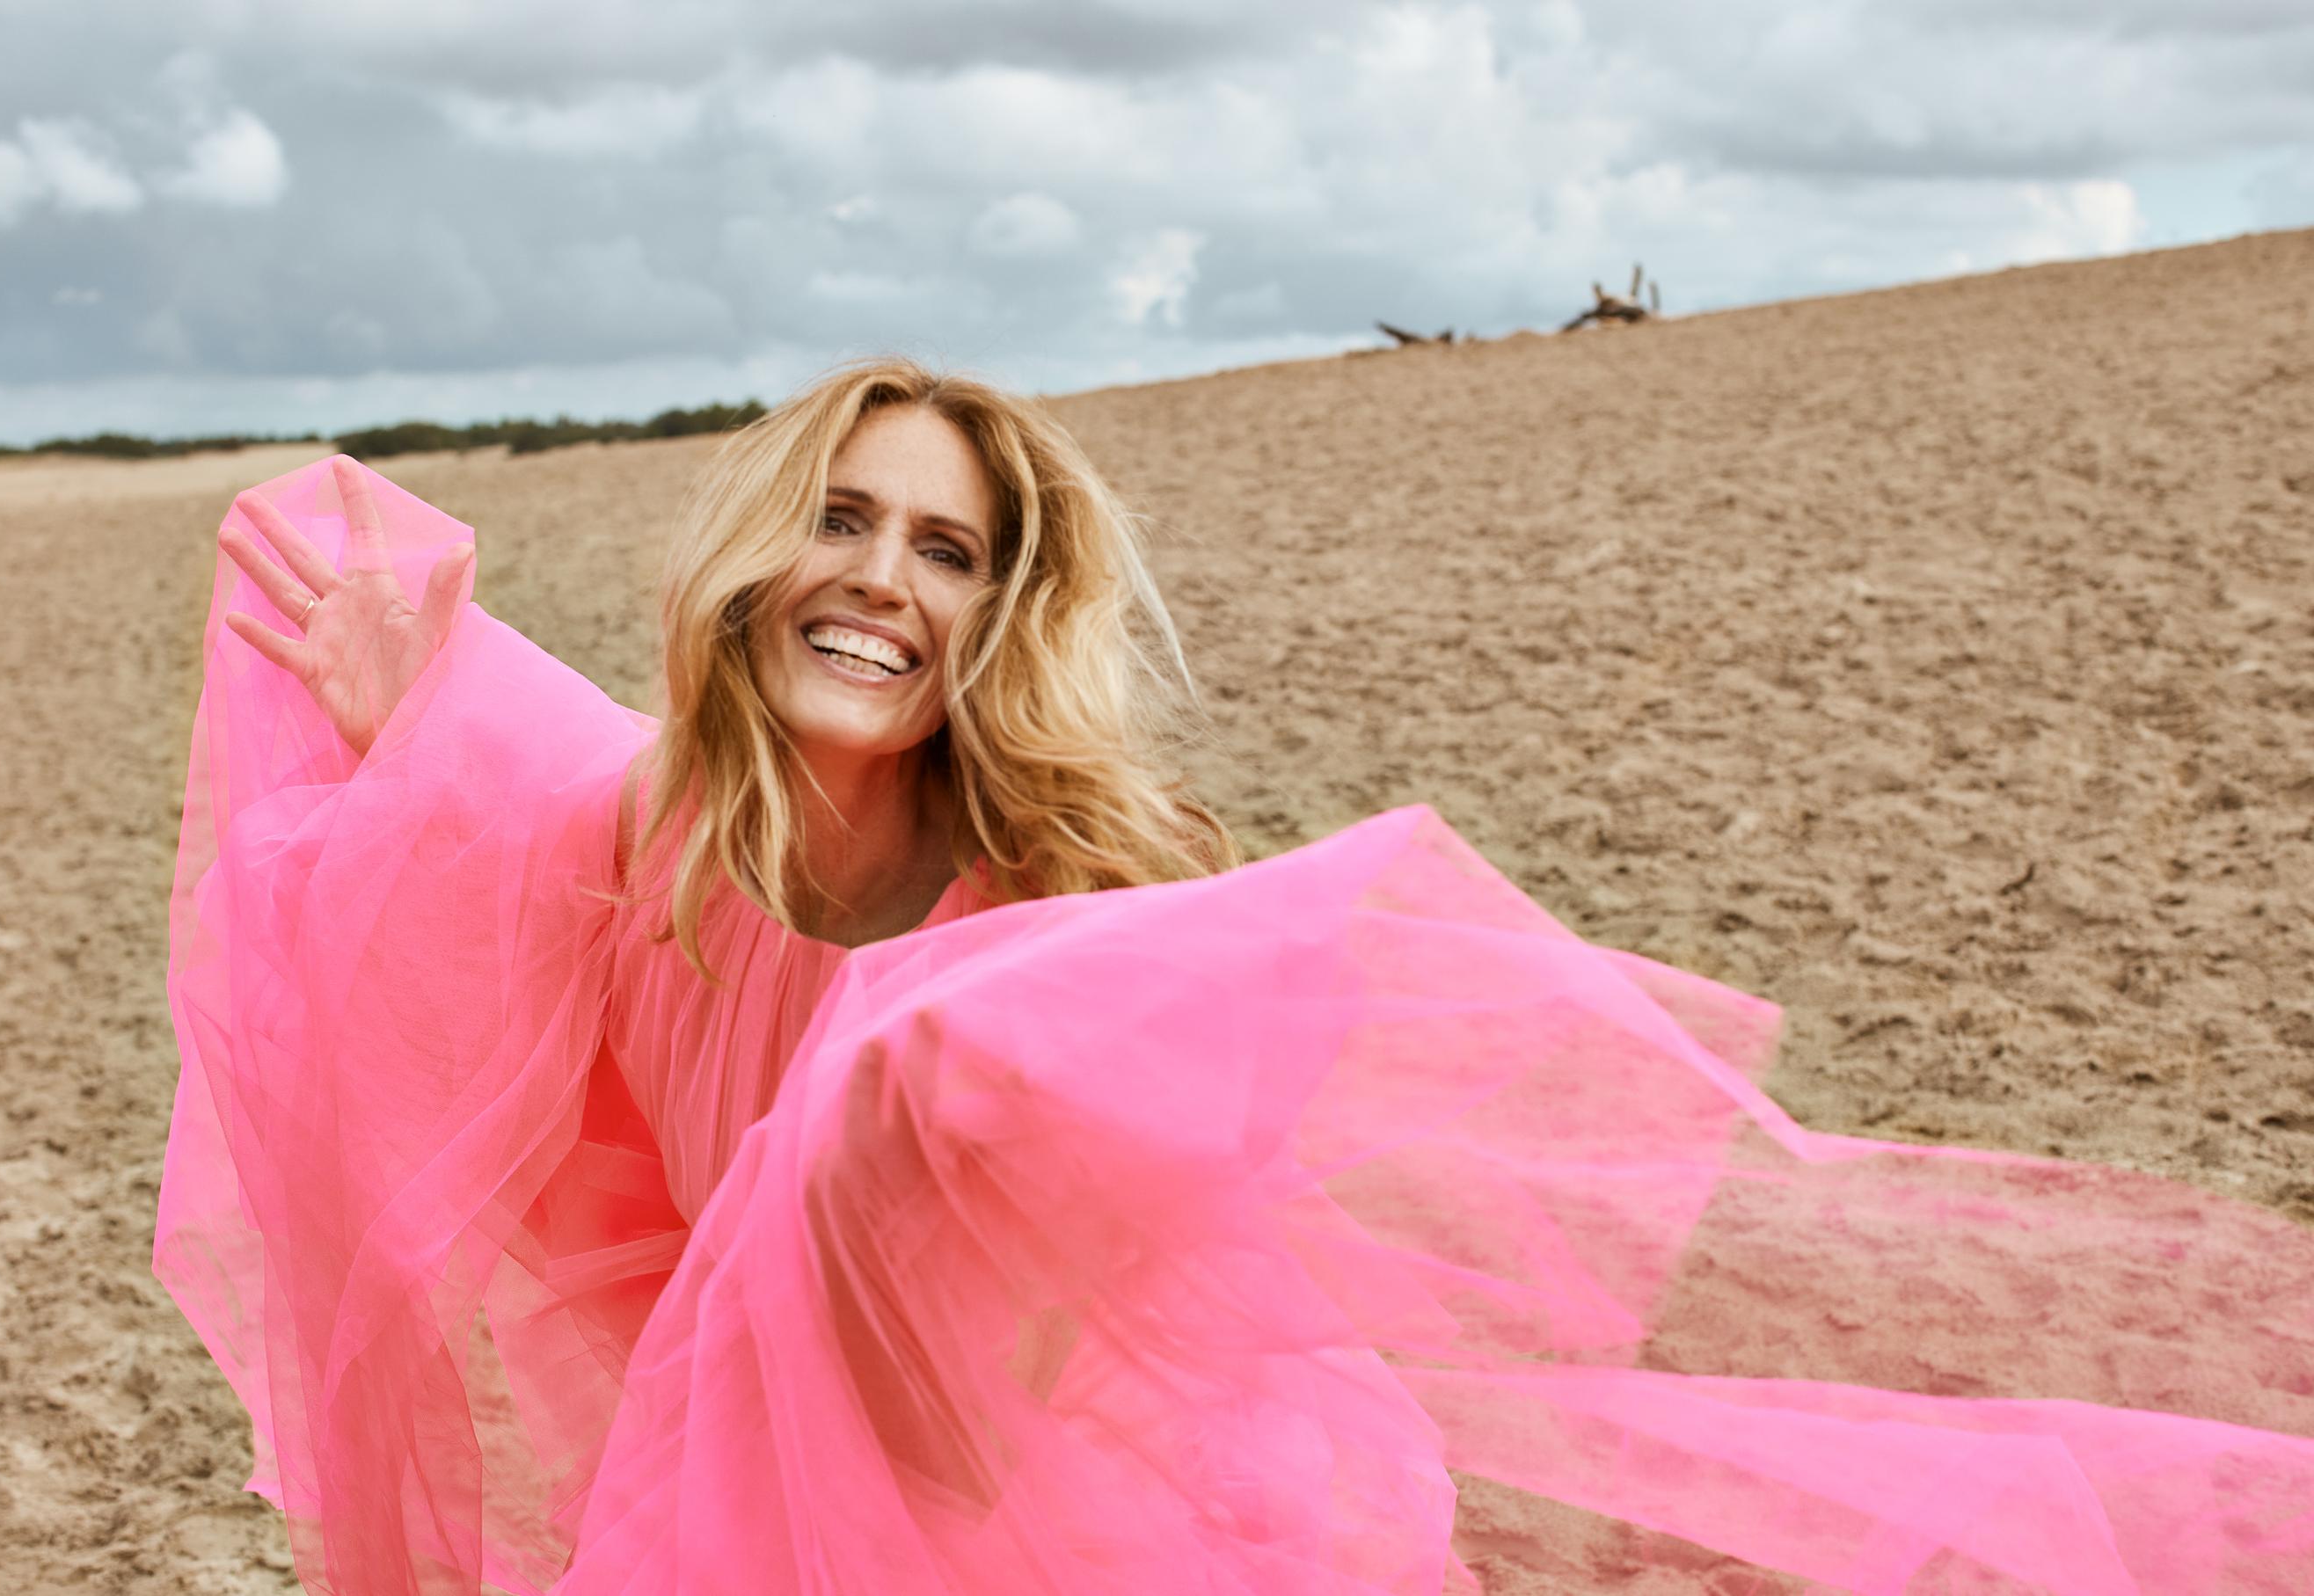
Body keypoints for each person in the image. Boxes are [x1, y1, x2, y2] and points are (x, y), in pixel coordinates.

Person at [157, 357, 2314, 1596]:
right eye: (842, 516)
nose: (881, 580)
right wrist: (397, 703)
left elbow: (1062, 1358)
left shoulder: (1073, 909)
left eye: (947, 547)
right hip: (723, 1505)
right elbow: (466, 846)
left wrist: (904, 1127)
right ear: (755, 554)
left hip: (1040, 1527)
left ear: (998, 613)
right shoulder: (644, 838)